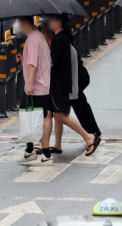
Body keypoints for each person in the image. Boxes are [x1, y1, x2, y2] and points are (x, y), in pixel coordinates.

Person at [46, 14, 100, 158]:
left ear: (59, 21)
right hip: (66, 82)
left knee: (61, 115)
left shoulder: (59, 39)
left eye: (51, 19)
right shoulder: (65, 37)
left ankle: (88, 137)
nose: (49, 21)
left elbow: (53, 62)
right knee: (58, 115)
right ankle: (57, 144)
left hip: (62, 84)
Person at [14, 16, 54, 166]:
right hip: (41, 86)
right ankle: (30, 151)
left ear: (24, 23)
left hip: (36, 88)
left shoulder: (32, 40)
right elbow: (36, 61)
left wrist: (29, 83)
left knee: (35, 119)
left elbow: (33, 65)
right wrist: (22, 61)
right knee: (30, 117)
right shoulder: (39, 37)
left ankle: (46, 154)